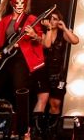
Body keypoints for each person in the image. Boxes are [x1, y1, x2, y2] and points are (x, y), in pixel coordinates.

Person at [0, 0, 46, 135]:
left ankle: (23, 129)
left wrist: (33, 34)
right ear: (11, 2)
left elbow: (41, 40)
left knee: (20, 92)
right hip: (4, 60)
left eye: (22, 2)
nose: (20, 5)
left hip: (21, 59)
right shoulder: (4, 21)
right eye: (17, 2)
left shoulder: (31, 19)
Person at [34, 9, 80, 137]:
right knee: (42, 100)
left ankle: (51, 133)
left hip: (58, 73)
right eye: (50, 18)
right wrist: (49, 29)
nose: (52, 21)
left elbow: (75, 41)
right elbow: (47, 45)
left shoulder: (62, 34)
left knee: (55, 104)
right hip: (43, 71)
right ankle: (37, 134)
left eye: (55, 19)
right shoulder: (42, 33)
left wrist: (64, 28)